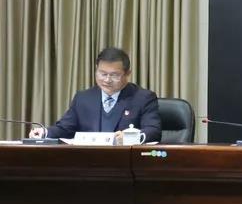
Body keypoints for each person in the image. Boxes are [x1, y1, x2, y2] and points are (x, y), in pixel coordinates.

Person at [30, 47, 161, 142]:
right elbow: (65, 128)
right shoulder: (83, 98)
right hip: (88, 161)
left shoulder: (143, 98)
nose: (107, 80)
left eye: (114, 75)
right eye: (102, 74)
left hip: (125, 161)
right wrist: (44, 132)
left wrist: (130, 137)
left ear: (127, 74)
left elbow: (153, 131)